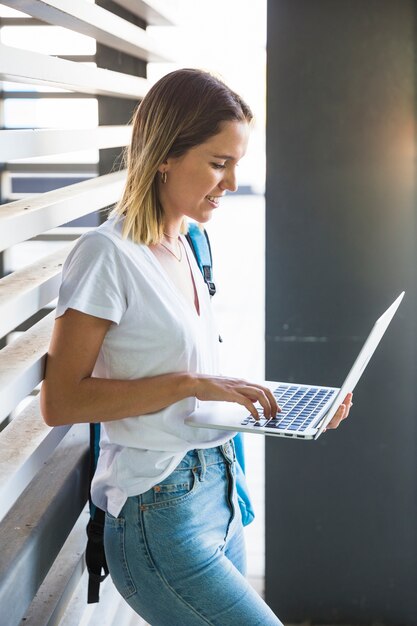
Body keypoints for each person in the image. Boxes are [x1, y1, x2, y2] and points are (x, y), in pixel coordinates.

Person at [41, 68, 352, 626]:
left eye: (236, 164)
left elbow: (181, 370)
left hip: (218, 488)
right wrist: (190, 386)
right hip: (159, 509)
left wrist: (272, 403)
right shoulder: (104, 256)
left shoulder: (191, 243)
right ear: (165, 154)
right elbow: (61, 401)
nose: (231, 184)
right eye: (218, 163)